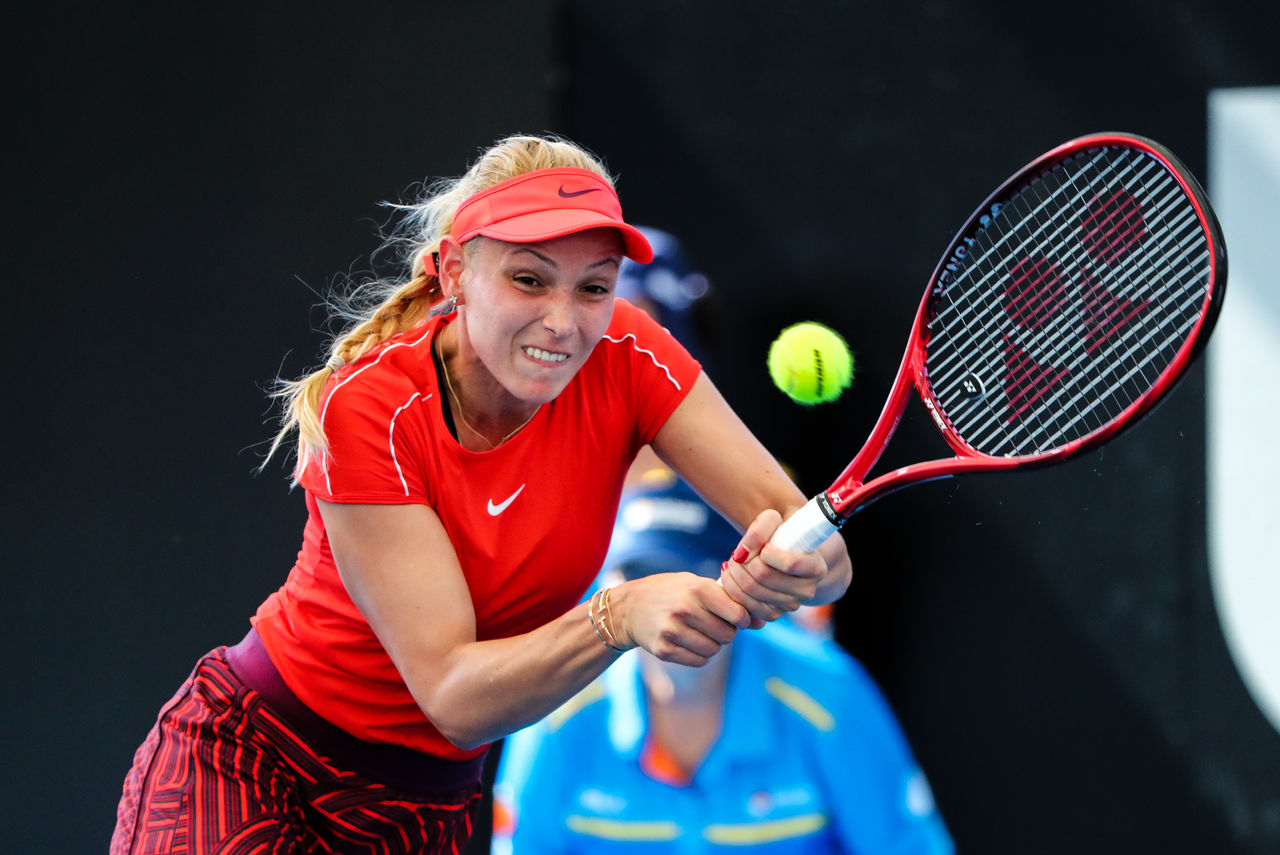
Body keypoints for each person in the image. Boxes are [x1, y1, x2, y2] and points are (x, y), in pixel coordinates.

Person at [110, 134, 851, 855]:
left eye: (594, 285)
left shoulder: (631, 352)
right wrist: (618, 613)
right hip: (259, 764)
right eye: (528, 278)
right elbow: (455, 697)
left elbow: (819, 548)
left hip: (425, 810)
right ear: (456, 271)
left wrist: (794, 568)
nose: (563, 321)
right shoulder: (370, 405)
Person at [491, 470, 953, 854]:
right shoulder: (557, 714)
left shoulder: (831, 698)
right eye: (637, 580)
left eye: (684, 576)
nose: (661, 606)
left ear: (743, 584)